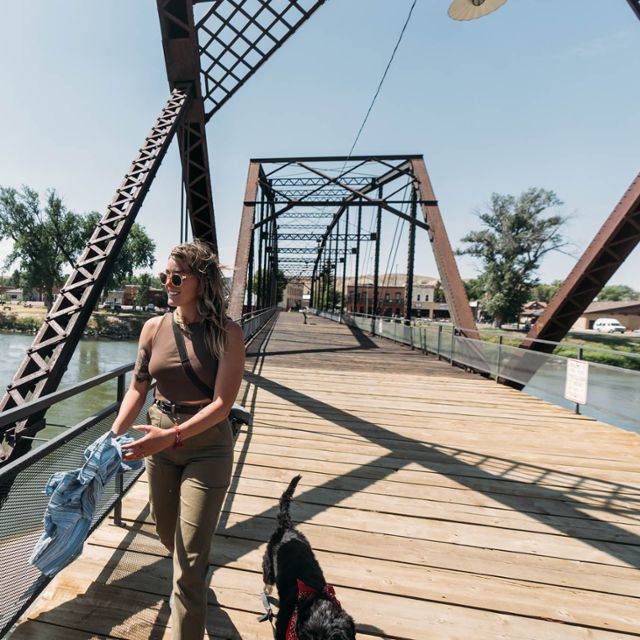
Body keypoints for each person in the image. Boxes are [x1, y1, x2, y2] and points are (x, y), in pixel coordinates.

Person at [110, 240, 245, 640]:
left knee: (188, 563)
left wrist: (170, 437)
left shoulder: (228, 333)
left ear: (200, 282)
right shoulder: (153, 328)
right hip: (160, 439)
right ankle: (193, 581)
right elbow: (138, 387)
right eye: (164, 276)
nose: (167, 284)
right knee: (168, 533)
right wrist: (112, 435)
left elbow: (222, 405)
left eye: (176, 277)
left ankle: (188, 604)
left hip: (206, 446)